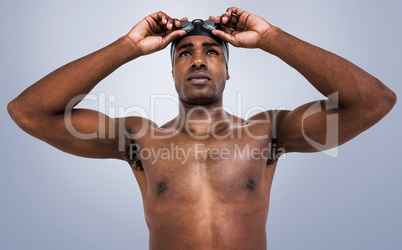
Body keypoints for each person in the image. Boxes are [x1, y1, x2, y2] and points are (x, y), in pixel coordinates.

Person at [7, 6, 396, 249]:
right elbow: (29, 112)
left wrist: (271, 38)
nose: (198, 60)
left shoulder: (269, 131)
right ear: (172, 70)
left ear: (227, 70)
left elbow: (374, 101)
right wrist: (128, 45)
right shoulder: (139, 138)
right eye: (184, 53)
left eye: (211, 52)